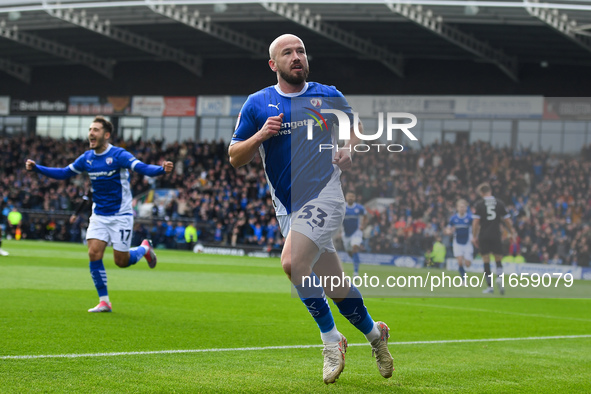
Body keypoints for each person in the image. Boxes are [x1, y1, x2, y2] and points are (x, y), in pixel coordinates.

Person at [228, 34, 393, 384]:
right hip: (287, 209)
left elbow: (356, 129)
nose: (296, 56)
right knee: (335, 283)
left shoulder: (327, 94)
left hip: (325, 196)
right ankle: (375, 334)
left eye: (300, 51)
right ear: (274, 64)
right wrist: (259, 136)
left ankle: (332, 341)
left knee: (292, 263)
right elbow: (235, 157)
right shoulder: (258, 104)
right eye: (287, 53)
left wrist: (349, 149)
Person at [26, 116, 173, 312]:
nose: (91, 133)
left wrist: (161, 170)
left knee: (121, 261)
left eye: (95, 130)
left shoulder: (119, 155)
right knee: (94, 253)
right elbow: (63, 173)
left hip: (121, 215)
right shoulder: (87, 158)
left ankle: (144, 248)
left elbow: (141, 167)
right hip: (99, 215)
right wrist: (37, 168)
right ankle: (104, 301)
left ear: (106, 134)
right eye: (90, 129)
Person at [472, 183, 517, 295]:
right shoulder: (499, 203)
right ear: (490, 191)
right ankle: (500, 278)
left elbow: (476, 222)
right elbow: (507, 220)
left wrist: (474, 236)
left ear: (482, 193)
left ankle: (490, 287)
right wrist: (512, 232)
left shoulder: (479, 204)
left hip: (484, 235)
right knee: (498, 259)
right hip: (496, 234)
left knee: (486, 260)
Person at [446, 199, 473, 284]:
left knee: (468, 264)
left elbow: (475, 228)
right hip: (457, 242)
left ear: (466, 208)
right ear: (457, 208)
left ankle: (468, 259)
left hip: (467, 242)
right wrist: (448, 231)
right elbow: (448, 228)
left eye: (463, 207)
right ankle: (464, 279)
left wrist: (474, 236)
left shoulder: (469, 218)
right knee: (460, 261)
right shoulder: (454, 218)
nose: (462, 208)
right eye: (460, 207)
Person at [342, 191, 367, 276]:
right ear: (345, 197)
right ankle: (356, 260)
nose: (350, 198)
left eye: (352, 196)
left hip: (356, 232)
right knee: (349, 251)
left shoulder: (359, 208)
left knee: (355, 247)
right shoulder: (342, 207)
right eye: (349, 196)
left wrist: (363, 225)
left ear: (355, 198)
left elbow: (365, 216)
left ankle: (356, 272)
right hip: (346, 234)